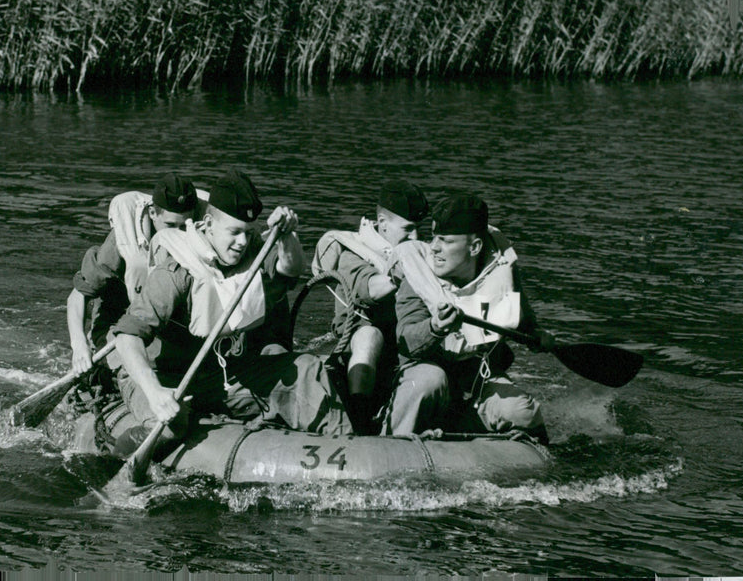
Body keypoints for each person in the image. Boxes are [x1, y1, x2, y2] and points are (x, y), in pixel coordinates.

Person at [108, 169, 351, 459]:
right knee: (172, 426)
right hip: (162, 375)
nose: (241, 242)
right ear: (208, 224)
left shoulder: (251, 255)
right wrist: (156, 393)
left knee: (308, 369)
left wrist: (287, 237)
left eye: (248, 233)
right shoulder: (176, 271)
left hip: (216, 374)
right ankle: (113, 462)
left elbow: (290, 270)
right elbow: (127, 337)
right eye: (233, 232)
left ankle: (350, 448)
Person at [381, 194, 551, 444]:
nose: (434, 248)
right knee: (429, 381)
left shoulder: (500, 272)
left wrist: (537, 335)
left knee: (522, 413)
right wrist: (435, 327)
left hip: (476, 377)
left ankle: (464, 430)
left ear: (475, 248)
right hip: (423, 374)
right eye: (434, 238)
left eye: (446, 241)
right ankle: (392, 443)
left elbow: (521, 319)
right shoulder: (417, 275)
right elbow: (407, 339)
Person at [312, 180, 429, 435]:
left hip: (404, 345)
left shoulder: (421, 253)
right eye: (408, 230)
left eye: (418, 230)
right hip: (361, 344)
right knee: (369, 336)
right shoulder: (351, 253)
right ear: (382, 223)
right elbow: (370, 289)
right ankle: (358, 419)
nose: (415, 238)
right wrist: (404, 271)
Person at [66, 174, 201, 387]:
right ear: (153, 213)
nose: (179, 235)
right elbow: (77, 296)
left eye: (185, 226)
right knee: (141, 365)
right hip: (117, 324)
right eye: (171, 225)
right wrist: (79, 345)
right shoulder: (122, 244)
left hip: (161, 325)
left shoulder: (198, 236)